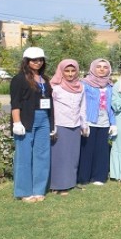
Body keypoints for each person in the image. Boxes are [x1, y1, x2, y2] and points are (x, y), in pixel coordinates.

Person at [10, 47, 55, 202]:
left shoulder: (45, 79)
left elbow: (49, 102)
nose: (38, 62)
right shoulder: (19, 79)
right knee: (24, 156)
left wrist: (51, 123)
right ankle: (24, 192)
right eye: (34, 60)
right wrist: (17, 122)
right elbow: (15, 102)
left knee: (42, 155)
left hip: (44, 119)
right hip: (26, 119)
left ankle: (39, 189)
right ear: (27, 61)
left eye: (40, 59)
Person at [49, 59, 87, 195]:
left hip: (75, 124)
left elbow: (82, 106)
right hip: (60, 124)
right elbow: (51, 108)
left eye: (73, 71)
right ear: (61, 71)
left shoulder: (80, 87)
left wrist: (84, 124)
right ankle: (57, 185)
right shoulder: (54, 87)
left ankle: (70, 183)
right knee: (60, 156)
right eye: (67, 71)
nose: (70, 74)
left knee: (72, 156)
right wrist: (52, 126)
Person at [78, 58, 117, 186]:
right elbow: (81, 104)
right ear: (93, 68)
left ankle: (99, 176)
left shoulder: (111, 86)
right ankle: (84, 177)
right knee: (87, 150)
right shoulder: (84, 84)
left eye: (105, 67)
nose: (101, 69)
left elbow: (112, 106)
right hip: (89, 121)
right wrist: (83, 122)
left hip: (104, 122)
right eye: (98, 66)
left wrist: (113, 123)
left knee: (102, 150)